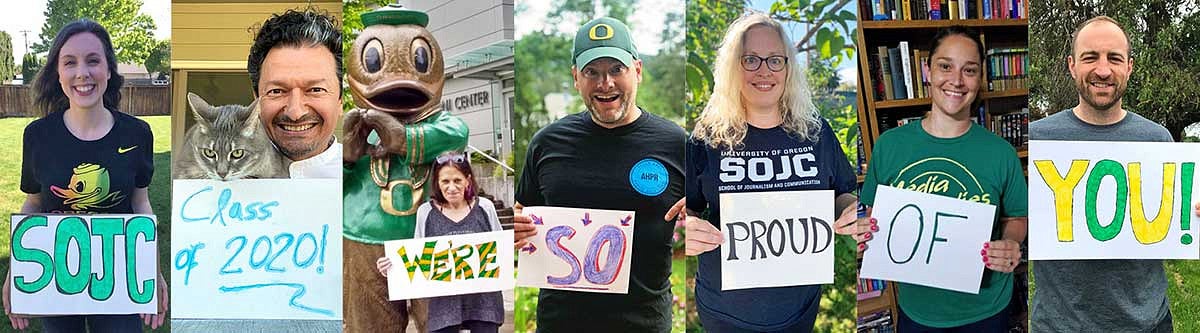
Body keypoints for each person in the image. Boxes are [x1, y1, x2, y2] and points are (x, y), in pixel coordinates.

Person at [680, 12, 859, 332]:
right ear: (734, 67)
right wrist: (686, 228)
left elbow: (842, 190)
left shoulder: (815, 132)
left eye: (775, 60)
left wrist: (849, 210)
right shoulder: (707, 137)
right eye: (750, 59)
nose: (764, 70)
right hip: (725, 312)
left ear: (788, 68)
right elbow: (687, 204)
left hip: (798, 309)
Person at [512, 17, 685, 332]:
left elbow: (709, 212)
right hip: (560, 324)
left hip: (643, 324)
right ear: (576, 77)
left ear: (638, 71)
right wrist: (516, 228)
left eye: (616, 70)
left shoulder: (676, 144)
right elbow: (522, 210)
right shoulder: (547, 143)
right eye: (592, 72)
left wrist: (699, 209)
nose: (605, 83)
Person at [856, 26, 1028, 332]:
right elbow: (873, 219)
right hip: (917, 311)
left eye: (969, 70)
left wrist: (1011, 243)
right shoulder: (889, 146)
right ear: (927, 70)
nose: (957, 81)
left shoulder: (1001, 153)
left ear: (980, 78)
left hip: (987, 309)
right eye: (945, 66)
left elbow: (1016, 216)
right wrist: (861, 235)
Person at [1, 19, 168, 331]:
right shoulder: (38, 135)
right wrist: (17, 272)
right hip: (58, 280)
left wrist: (151, 271)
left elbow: (142, 206)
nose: (82, 72)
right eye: (70, 62)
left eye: (93, 60)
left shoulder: (137, 133)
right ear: (58, 73)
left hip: (120, 279)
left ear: (108, 69)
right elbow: (33, 205)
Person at [1029, 16, 1174, 332]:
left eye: (1115, 58)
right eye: (1090, 57)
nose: (1103, 70)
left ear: (1130, 67)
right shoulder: (1036, 140)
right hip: (1059, 326)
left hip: (1147, 323)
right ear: (1071, 65)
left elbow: (1171, 226)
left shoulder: (1158, 140)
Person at [376, 152, 504, 333]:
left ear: (467, 180)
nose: (452, 187)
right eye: (445, 181)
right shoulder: (425, 212)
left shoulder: (485, 207)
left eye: (457, 181)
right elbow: (418, 257)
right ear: (437, 182)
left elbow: (501, 250)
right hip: (443, 306)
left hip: (484, 304)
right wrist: (393, 266)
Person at [246, 8, 342, 179]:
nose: (295, 112)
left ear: (340, 100)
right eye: (276, 91)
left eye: (315, 90)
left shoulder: (367, 175)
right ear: (256, 100)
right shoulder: (213, 183)